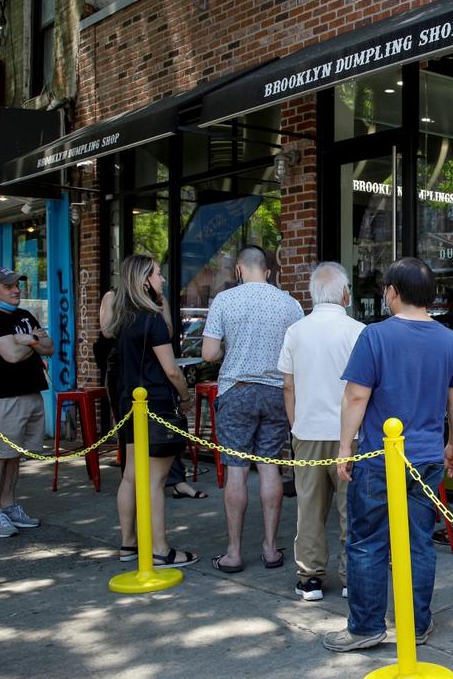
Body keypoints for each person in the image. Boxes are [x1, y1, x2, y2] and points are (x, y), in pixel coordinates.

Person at [322, 257, 453, 651]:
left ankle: (366, 627)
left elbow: (356, 395)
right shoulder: (449, 340)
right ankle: (416, 624)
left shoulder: (375, 337)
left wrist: (343, 447)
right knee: (420, 542)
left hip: (377, 456)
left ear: (393, 292)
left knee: (367, 541)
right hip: (426, 460)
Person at [202, 245, 304, 572]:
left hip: (237, 390)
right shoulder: (290, 304)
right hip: (276, 393)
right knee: (270, 467)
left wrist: (232, 349)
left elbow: (208, 354)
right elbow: (298, 356)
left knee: (237, 469)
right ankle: (271, 549)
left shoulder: (224, 301)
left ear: (238, 270)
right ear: (268, 272)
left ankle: (233, 552)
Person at [105, 255, 198, 567]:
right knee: (154, 480)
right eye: (158, 274)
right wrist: (185, 397)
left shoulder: (124, 318)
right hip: (156, 404)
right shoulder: (152, 320)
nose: (163, 279)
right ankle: (160, 549)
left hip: (129, 403)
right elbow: (172, 370)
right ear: (145, 281)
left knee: (131, 476)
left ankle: (128, 543)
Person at [278, 262, 364, 602]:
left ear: (313, 295)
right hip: (351, 435)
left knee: (309, 508)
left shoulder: (296, 331)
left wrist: (295, 424)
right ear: (345, 294)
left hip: (308, 430)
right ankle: (351, 576)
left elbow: (288, 386)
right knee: (351, 509)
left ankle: (309, 577)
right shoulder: (358, 330)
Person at [0, 267, 53, 538]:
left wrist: (26, 340)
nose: (16, 290)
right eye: (8, 286)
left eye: (17, 285)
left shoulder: (24, 315)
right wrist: (34, 341)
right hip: (0, 399)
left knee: (14, 456)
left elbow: (49, 347)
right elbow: (12, 356)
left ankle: (8, 505)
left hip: (30, 394)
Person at [99, 287, 204, 500]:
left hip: (155, 367)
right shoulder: (113, 296)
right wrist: (136, 320)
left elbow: (169, 332)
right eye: (157, 273)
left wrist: (154, 312)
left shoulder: (158, 300)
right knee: (129, 433)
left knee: (167, 428)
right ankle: (136, 485)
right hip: (125, 367)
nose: (162, 278)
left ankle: (176, 481)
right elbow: (108, 331)